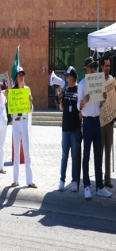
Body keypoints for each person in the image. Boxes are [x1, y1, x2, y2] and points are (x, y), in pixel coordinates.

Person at [77, 56, 111, 199]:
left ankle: (100, 187)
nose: (93, 69)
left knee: (98, 155)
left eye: (94, 66)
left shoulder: (99, 82)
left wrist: (103, 98)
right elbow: (79, 106)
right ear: (86, 69)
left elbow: (100, 105)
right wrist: (84, 101)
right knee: (86, 156)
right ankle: (86, 186)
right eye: (91, 67)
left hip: (97, 121)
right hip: (88, 123)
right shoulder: (82, 84)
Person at [10, 67, 37, 188]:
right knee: (16, 152)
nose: (21, 77)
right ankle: (15, 179)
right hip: (16, 123)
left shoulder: (27, 90)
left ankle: (29, 181)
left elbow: (30, 109)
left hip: (24, 122)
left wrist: (31, 102)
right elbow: (10, 109)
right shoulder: (13, 92)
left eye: (23, 75)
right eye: (19, 75)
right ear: (16, 78)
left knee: (27, 151)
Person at [57, 66, 81, 192]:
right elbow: (62, 108)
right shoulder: (65, 90)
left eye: (67, 76)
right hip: (65, 129)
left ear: (73, 77)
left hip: (75, 128)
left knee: (74, 156)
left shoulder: (78, 90)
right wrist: (59, 97)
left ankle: (74, 181)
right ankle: (62, 180)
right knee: (64, 155)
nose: (66, 78)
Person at [100, 57, 114, 188]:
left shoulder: (112, 81)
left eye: (109, 66)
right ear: (101, 67)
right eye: (106, 66)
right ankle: (99, 178)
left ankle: (107, 178)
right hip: (99, 121)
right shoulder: (97, 82)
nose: (108, 68)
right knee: (100, 150)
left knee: (108, 151)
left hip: (109, 121)